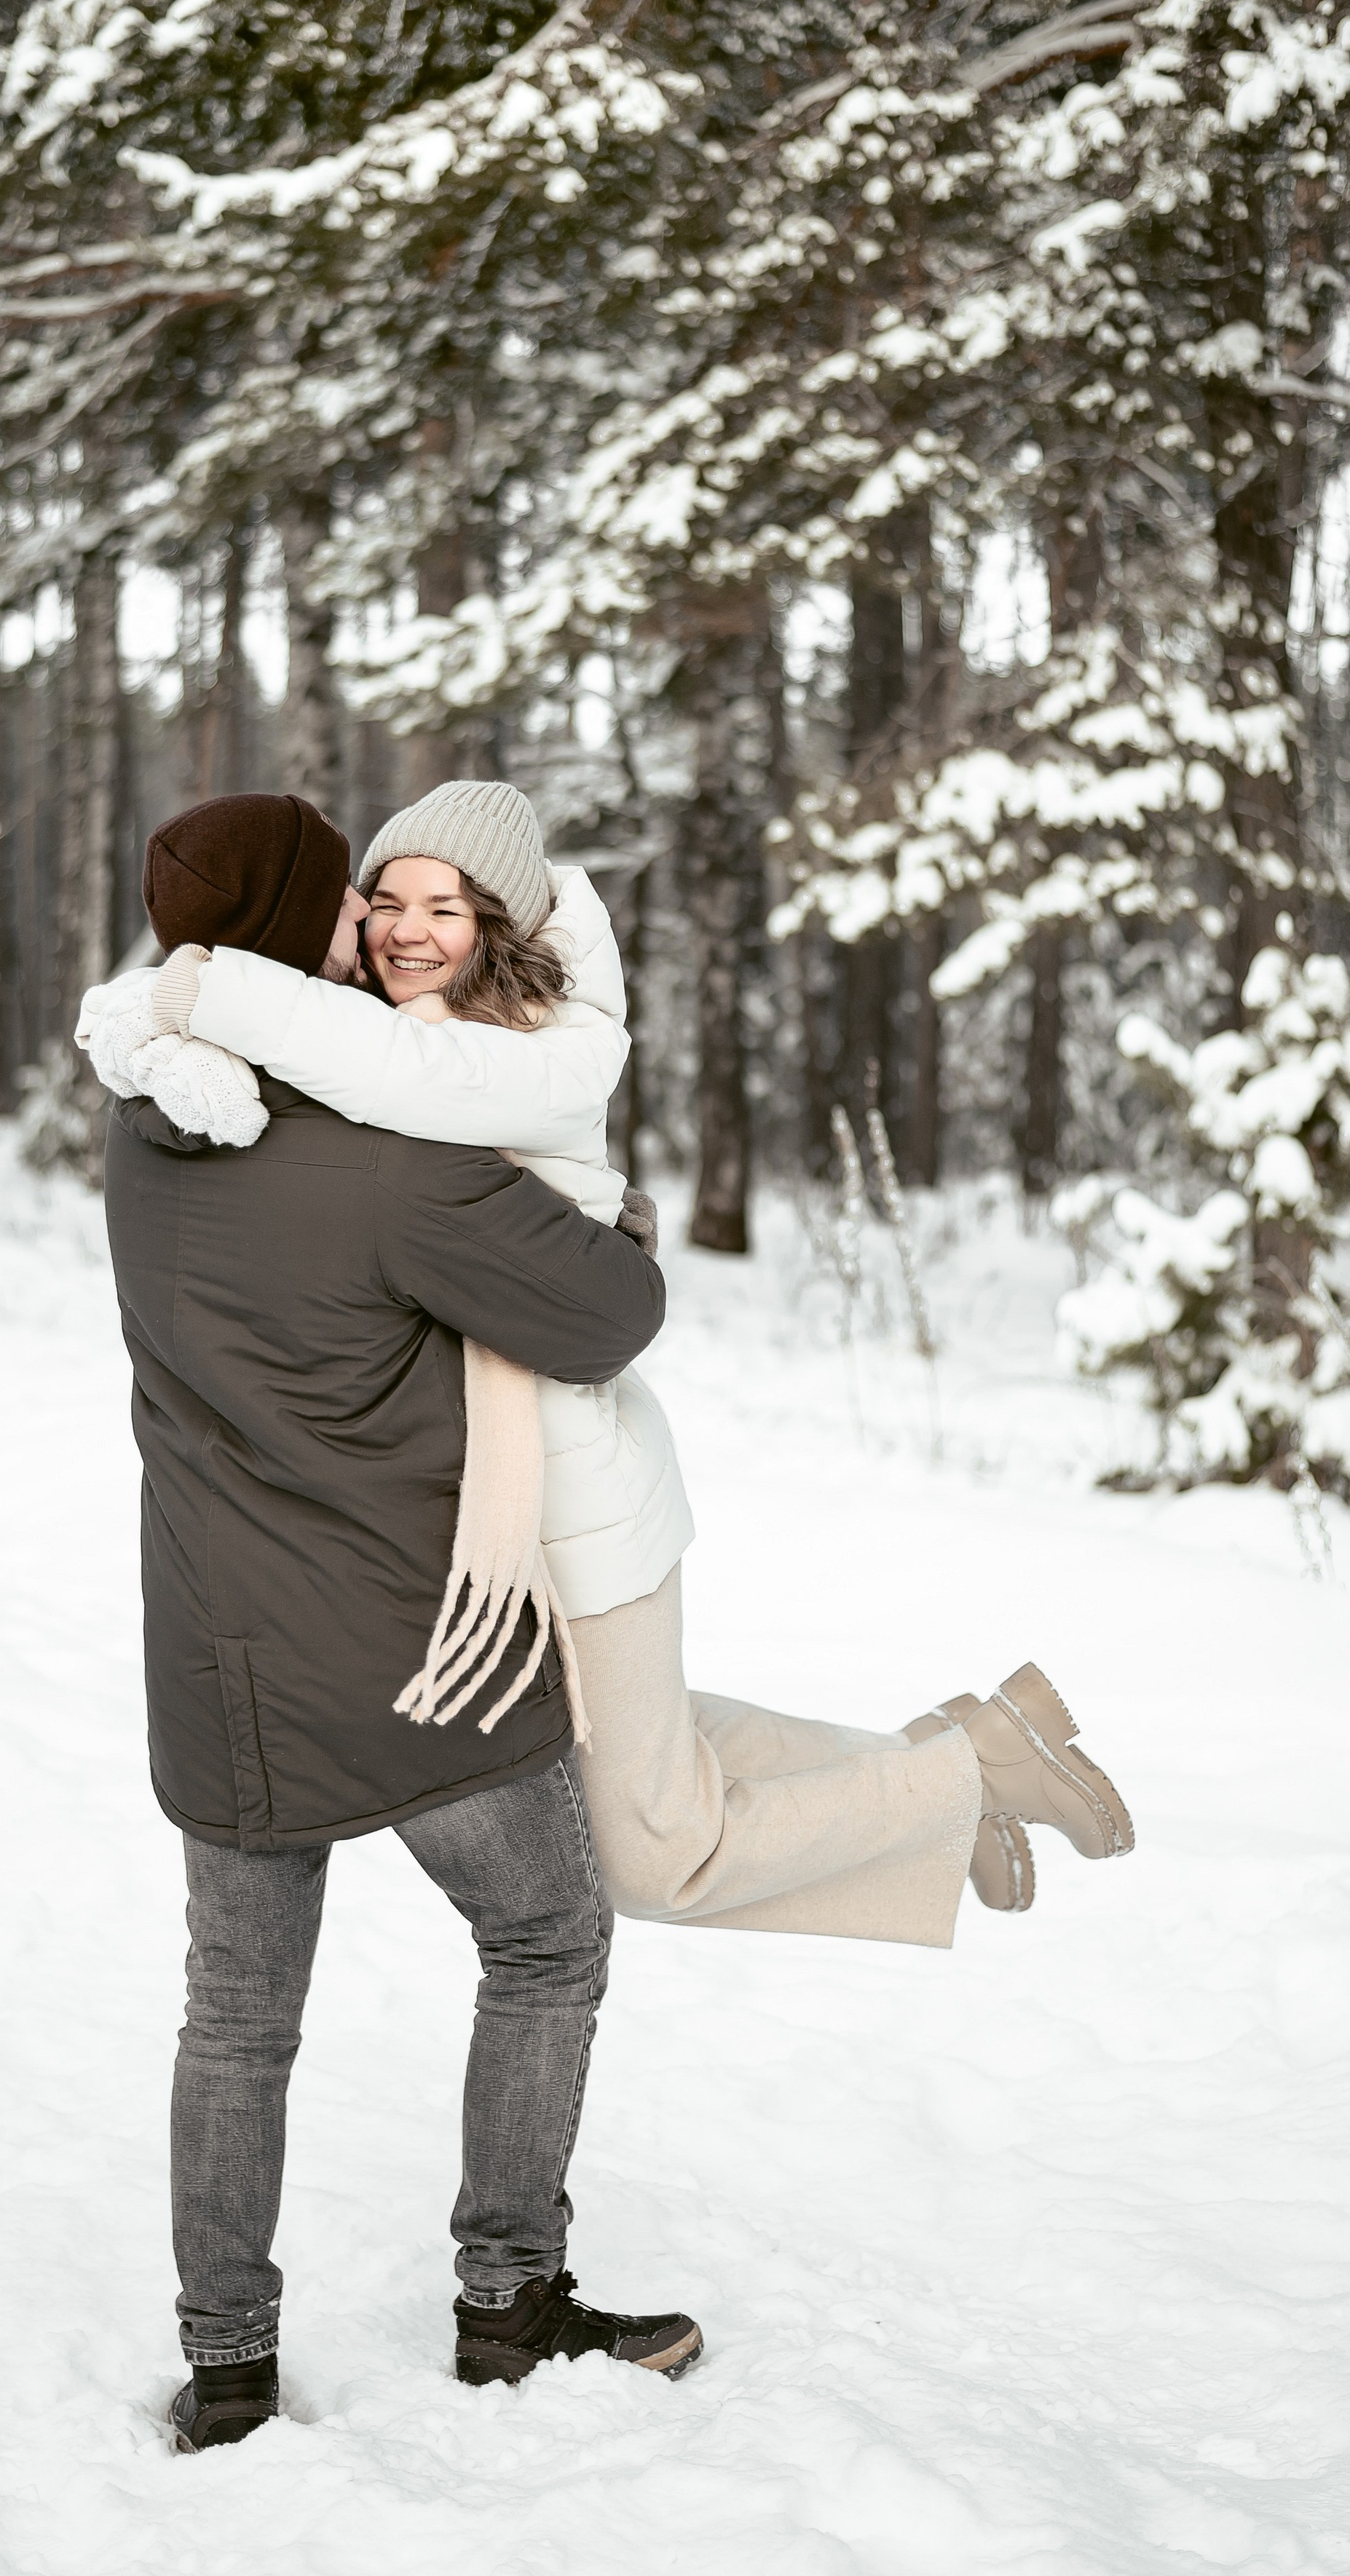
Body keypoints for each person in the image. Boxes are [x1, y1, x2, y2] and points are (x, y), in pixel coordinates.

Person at [86, 780, 1135, 1959]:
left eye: (446, 908)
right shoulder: (386, 1032)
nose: (399, 929)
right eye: (382, 899)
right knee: (649, 1759)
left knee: (653, 1853)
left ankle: (962, 1778)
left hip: (576, 1482)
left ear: (500, 927)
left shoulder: (522, 1049)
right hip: (491, 1509)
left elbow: (393, 1090)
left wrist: (191, 988)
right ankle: (960, 1763)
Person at [96, 792, 704, 2455]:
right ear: (303, 925)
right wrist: (611, 1222)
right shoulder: (393, 1159)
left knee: (235, 2014)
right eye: (347, 894)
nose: (372, 923)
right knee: (547, 1938)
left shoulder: (141, 1130)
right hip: (409, 1651)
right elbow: (607, 1314)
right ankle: (508, 2301)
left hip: (213, 1652)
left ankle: (228, 2368)